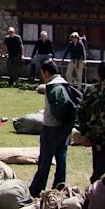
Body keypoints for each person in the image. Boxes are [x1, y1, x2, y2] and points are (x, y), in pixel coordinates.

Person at [28, 60, 74, 197]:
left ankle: (36, 189)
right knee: (61, 159)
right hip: (63, 128)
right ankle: (59, 187)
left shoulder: (52, 86)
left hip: (51, 128)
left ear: (46, 72)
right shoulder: (64, 84)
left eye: (42, 72)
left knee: (45, 161)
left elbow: (57, 108)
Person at [77, 60, 105, 183]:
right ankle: (98, 192)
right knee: (103, 171)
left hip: (91, 135)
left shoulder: (89, 89)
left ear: (98, 74)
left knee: (97, 164)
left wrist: (85, 134)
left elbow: (81, 112)